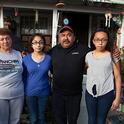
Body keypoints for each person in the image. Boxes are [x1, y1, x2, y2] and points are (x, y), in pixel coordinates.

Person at [49, 26, 121, 124]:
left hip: (75, 94)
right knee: (59, 120)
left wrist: (114, 51)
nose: (66, 38)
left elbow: (99, 53)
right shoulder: (52, 51)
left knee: (73, 121)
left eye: (69, 35)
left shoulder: (84, 50)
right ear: (59, 37)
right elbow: (42, 60)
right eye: (63, 35)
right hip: (57, 94)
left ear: (74, 37)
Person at [85, 29, 121, 124]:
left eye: (103, 40)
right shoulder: (88, 56)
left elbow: (117, 77)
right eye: (97, 39)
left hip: (106, 93)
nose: (100, 42)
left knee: (101, 120)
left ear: (107, 40)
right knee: (91, 120)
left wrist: (117, 98)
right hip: (89, 93)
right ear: (93, 41)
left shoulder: (112, 56)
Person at [22, 34, 52, 124]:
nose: (38, 45)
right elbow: (23, 76)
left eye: (41, 42)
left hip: (44, 92)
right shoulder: (25, 59)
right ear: (31, 45)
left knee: (41, 116)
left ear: (44, 44)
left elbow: (54, 72)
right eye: (35, 43)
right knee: (33, 118)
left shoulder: (49, 58)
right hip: (30, 93)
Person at [0, 28, 24, 124]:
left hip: (18, 95)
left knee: (16, 121)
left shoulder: (18, 54)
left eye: (7, 38)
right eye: (2, 39)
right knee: (2, 121)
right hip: (1, 96)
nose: (5, 41)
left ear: (11, 39)